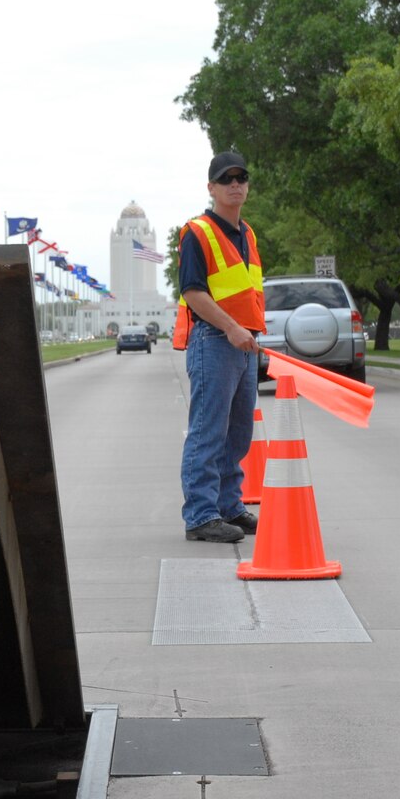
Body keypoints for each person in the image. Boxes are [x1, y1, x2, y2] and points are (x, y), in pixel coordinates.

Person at [175, 151, 265, 542]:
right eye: (226, 179)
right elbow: (193, 292)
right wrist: (231, 328)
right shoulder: (197, 232)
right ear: (211, 187)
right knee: (208, 431)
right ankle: (200, 514)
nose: (235, 185)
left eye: (240, 178)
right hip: (215, 340)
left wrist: (250, 334)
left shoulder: (248, 234)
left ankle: (229, 506)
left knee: (239, 433)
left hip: (244, 342)